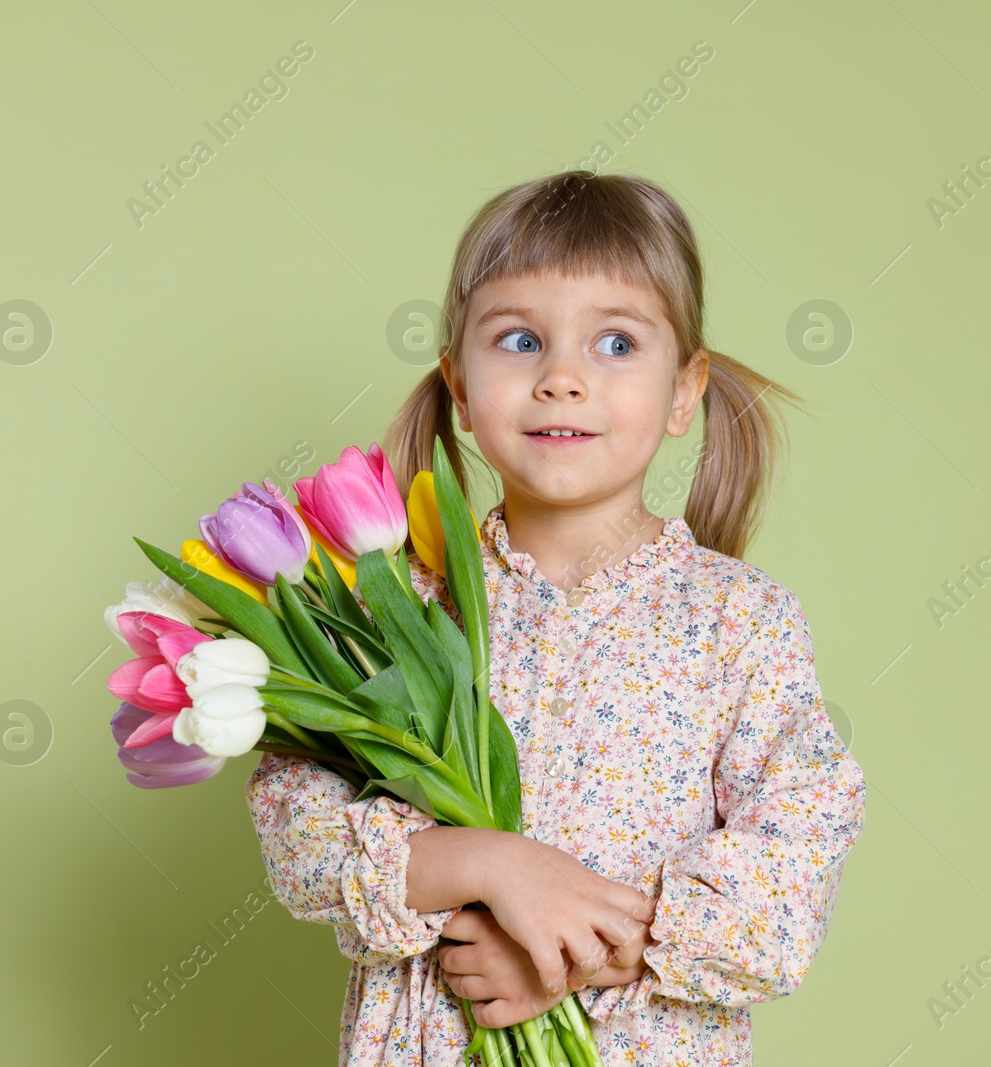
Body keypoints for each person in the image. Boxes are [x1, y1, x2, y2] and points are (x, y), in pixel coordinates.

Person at [245, 169, 867, 1066]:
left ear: (686, 390)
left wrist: (576, 953)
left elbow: (796, 857)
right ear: (459, 385)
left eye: (616, 342)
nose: (563, 378)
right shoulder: (401, 606)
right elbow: (299, 831)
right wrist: (493, 867)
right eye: (521, 340)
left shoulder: (741, 620)